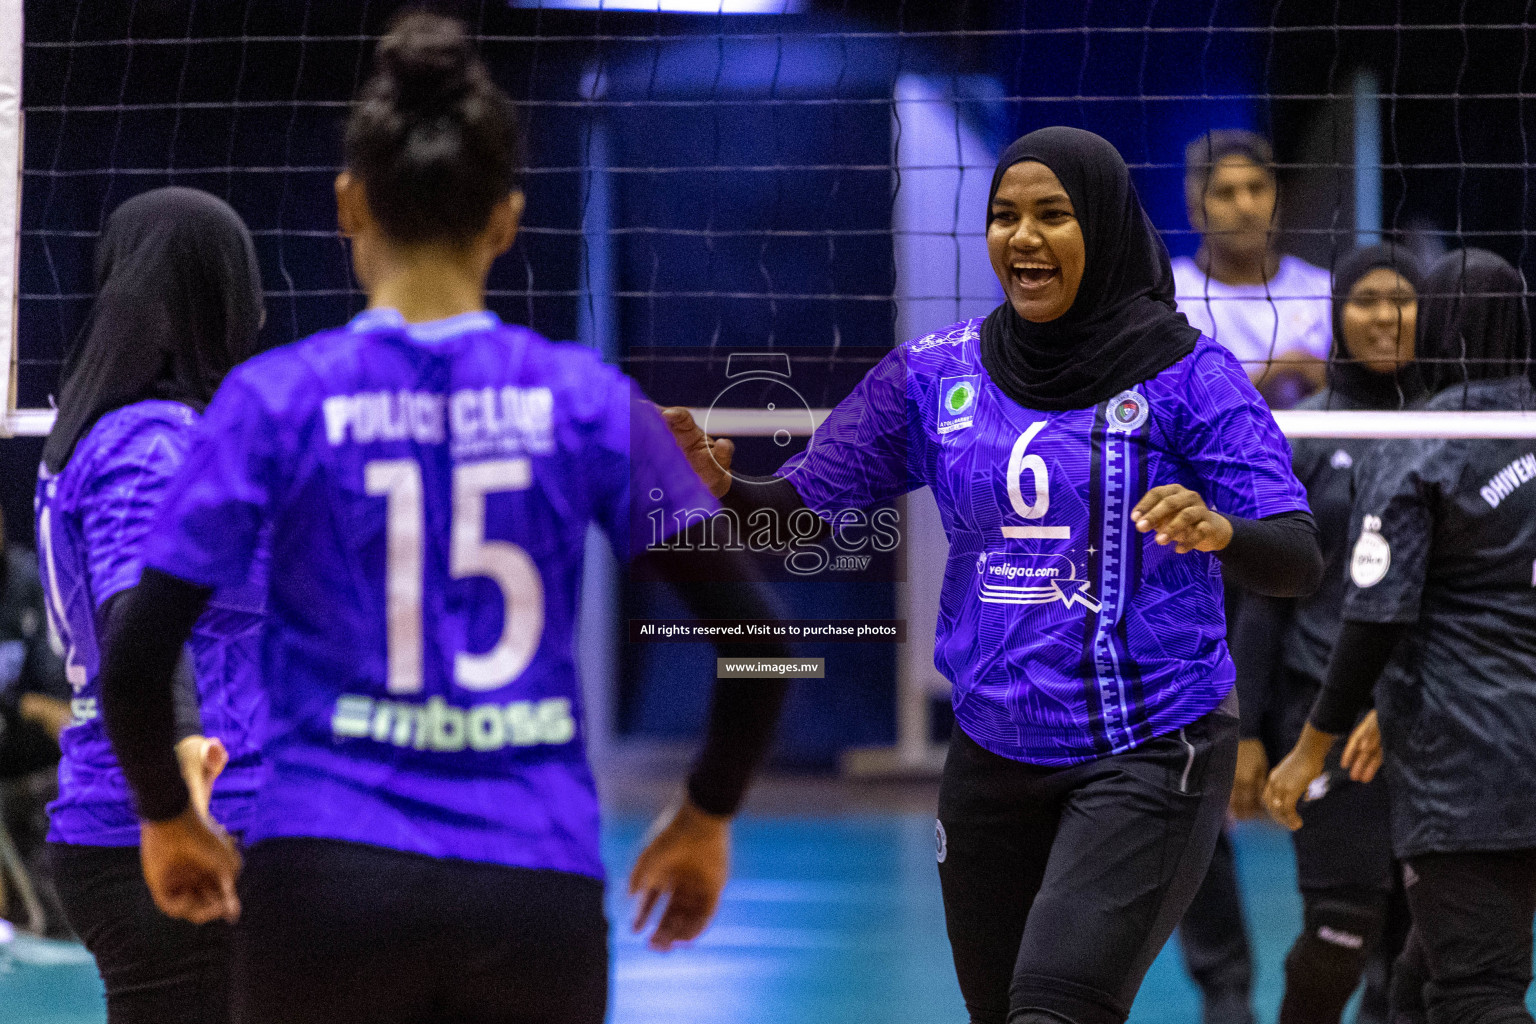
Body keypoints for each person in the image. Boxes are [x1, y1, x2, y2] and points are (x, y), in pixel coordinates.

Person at [93, 14, 788, 1024]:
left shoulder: (272, 400)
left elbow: (136, 654)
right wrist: (705, 813)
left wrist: (166, 817)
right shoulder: (590, 401)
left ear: (348, 203)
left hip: (325, 884)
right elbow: (758, 637)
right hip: (529, 890)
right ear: (506, 219)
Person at [663, 126, 1323, 1024]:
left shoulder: (1187, 374)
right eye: (1005, 216)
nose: (1024, 237)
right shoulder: (936, 374)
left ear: (1102, 226)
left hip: (1149, 742)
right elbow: (799, 513)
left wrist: (1219, 529)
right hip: (994, 746)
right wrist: (721, 487)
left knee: (1053, 1009)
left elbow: (1296, 554)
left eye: (1052, 215)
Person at [1265, 248, 1536, 1024]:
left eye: (1414, 307)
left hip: (1468, 764)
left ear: (1441, 325)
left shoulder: (1415, 445)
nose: (1396, 323)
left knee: (1475, 992)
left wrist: (1313, 745)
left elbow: (1379, 612)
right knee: (1418, 982)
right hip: (1493, 738)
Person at [34, 186, 267, 1022]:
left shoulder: (100, 434)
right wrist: (178, 803)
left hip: (140, 820)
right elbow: (142, 631)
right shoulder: (152, 443)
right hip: (183, 825)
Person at [1231, 243, 1426, 1024]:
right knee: (1340, 935)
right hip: (1321, 716)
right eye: (1366, 301)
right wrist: (1248, 733)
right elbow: (1264, 600)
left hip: (1425, 715)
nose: (1385, 317)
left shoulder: (1457, 420)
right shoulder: (1302, 433)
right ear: (1339, 316)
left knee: (1420, 949)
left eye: (1402, 300)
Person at [1173, 130, 1332, 408]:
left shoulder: (1326, 291)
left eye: (1257, 188)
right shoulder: (1167, 297)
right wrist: (1274, 373)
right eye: (1225, 193)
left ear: (1277, 199)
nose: (1245, 206)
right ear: (1194, 209)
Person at [0, 509, 72, 936]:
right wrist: (25, 704)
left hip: (41, 766)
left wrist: (44, 708)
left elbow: (59, 691)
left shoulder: (31, 578)